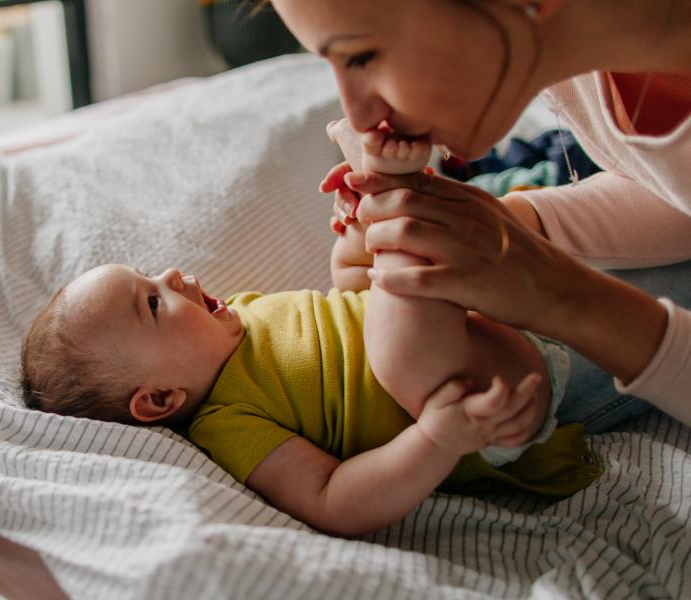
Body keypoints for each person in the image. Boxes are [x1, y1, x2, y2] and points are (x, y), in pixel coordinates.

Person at [19, 128, 599, 538]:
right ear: (161, 399)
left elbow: (347, 301)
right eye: (151, 301)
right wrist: (438, 439)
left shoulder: (243, 314)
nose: (169, 275)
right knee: (399, 347)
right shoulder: (229, 423)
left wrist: (353, 242)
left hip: (499, 317)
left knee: (390, 283)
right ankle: (401, 196)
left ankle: (396, 215)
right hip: (480, 398)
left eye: (150, 274)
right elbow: (334, 500)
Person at [267, 0, 691, 431]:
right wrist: (509, 226)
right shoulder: (571, 50)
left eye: (362, 57)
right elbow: (674, 186)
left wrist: (561, 295)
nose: (357, 113)